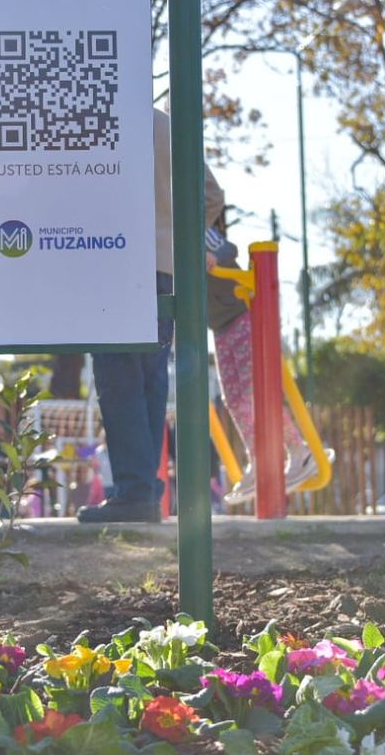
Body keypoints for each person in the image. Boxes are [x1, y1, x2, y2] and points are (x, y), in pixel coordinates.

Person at [80, 108, 220, 524]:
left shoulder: (99, 120)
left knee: (118, 381)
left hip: (112, 260)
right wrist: (179, 236)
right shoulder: (168, 126)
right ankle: (143, 490)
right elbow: (213, 195)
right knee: (150, 380)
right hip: (164, 267)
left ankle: (136, 492)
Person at [205, 226, 318, 506]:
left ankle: (298, 450)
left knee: (254, 392)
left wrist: (212, 256)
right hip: (218, 328)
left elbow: (228, 248)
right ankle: (258, 458)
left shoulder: (194, 229)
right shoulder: (162, 244)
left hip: (243, 315)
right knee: (233, 398)